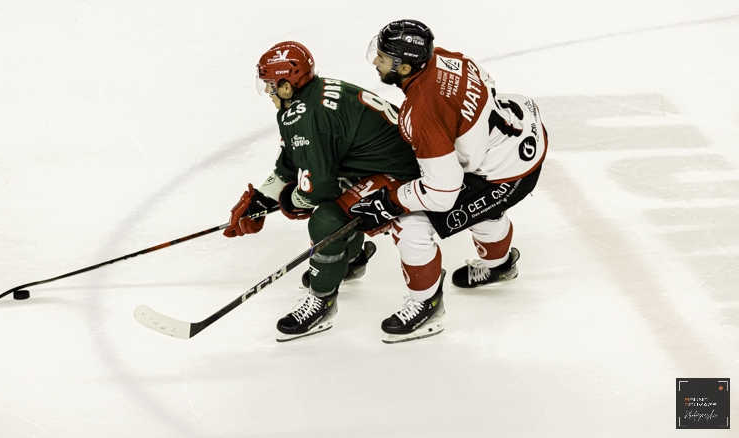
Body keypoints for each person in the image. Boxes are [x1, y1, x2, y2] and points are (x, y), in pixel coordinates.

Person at [349, 20, 548, 343]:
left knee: (407, 223)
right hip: (523, 137)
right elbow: (488, 83)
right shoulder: (442, 57)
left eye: (383, 58)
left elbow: (442, 192)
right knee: (479, 206)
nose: (376, 62)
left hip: (506, 173)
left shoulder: (423, 111)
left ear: (405, 66)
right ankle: (499, 265)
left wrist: (391, 202)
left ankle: (426, 305)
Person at [223, 41, 420, 342]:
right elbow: (292, 163)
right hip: (375, 164)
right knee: (336, 200)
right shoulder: (306, 102)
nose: (267, 92)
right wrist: (262, 199)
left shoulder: (308, 116)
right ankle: (350, 259)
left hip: (403, 173)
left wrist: (290, 200)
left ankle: (322, 302)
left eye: (270, 85)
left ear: (287, 86)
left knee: (326, 219)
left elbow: (317, 190)